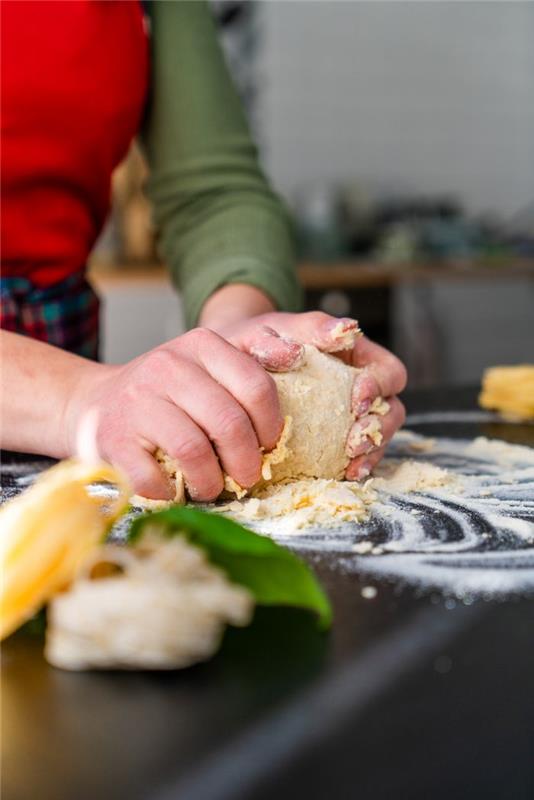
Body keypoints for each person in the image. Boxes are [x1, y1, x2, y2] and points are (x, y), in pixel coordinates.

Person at [0, 0, 406, 501]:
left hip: (59, 358)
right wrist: (73, 398)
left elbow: (213, 192)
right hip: (60, 396)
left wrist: (237, 334)